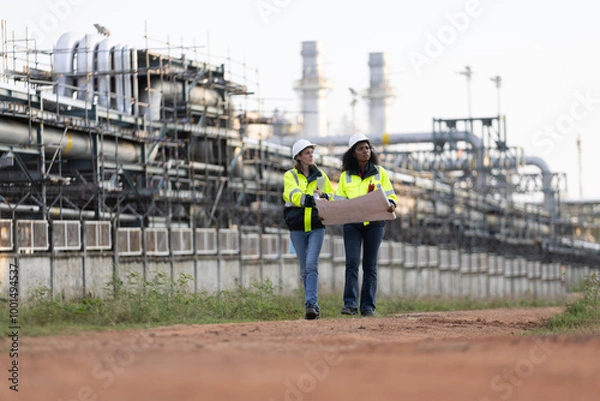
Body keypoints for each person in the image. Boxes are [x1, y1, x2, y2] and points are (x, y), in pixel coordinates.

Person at [335, 133, 398, 317]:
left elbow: (390, 194)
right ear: (353, 153)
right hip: (352, 223)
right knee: (352, 263)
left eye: (368, 148)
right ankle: (350, 305)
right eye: (361, 148)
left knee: (370, 266)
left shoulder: (380, 172)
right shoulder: (345, 176)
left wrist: (392, 203)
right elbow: (340, 200)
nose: (366, 151)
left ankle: (368, 307)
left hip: (375, 223)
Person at [282, 139, 334, 320]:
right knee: (304, 269)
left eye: (312, 152)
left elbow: (331, 197)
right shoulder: (291, 175)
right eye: (307, 153)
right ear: (298, 157)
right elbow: (292, 195)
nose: (311, 155)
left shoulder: (320, 176)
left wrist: (325, 196)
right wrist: (312, 199)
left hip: (316, 227)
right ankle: (311, 304)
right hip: (297, 228)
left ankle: (311, 304)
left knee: (311, 265)